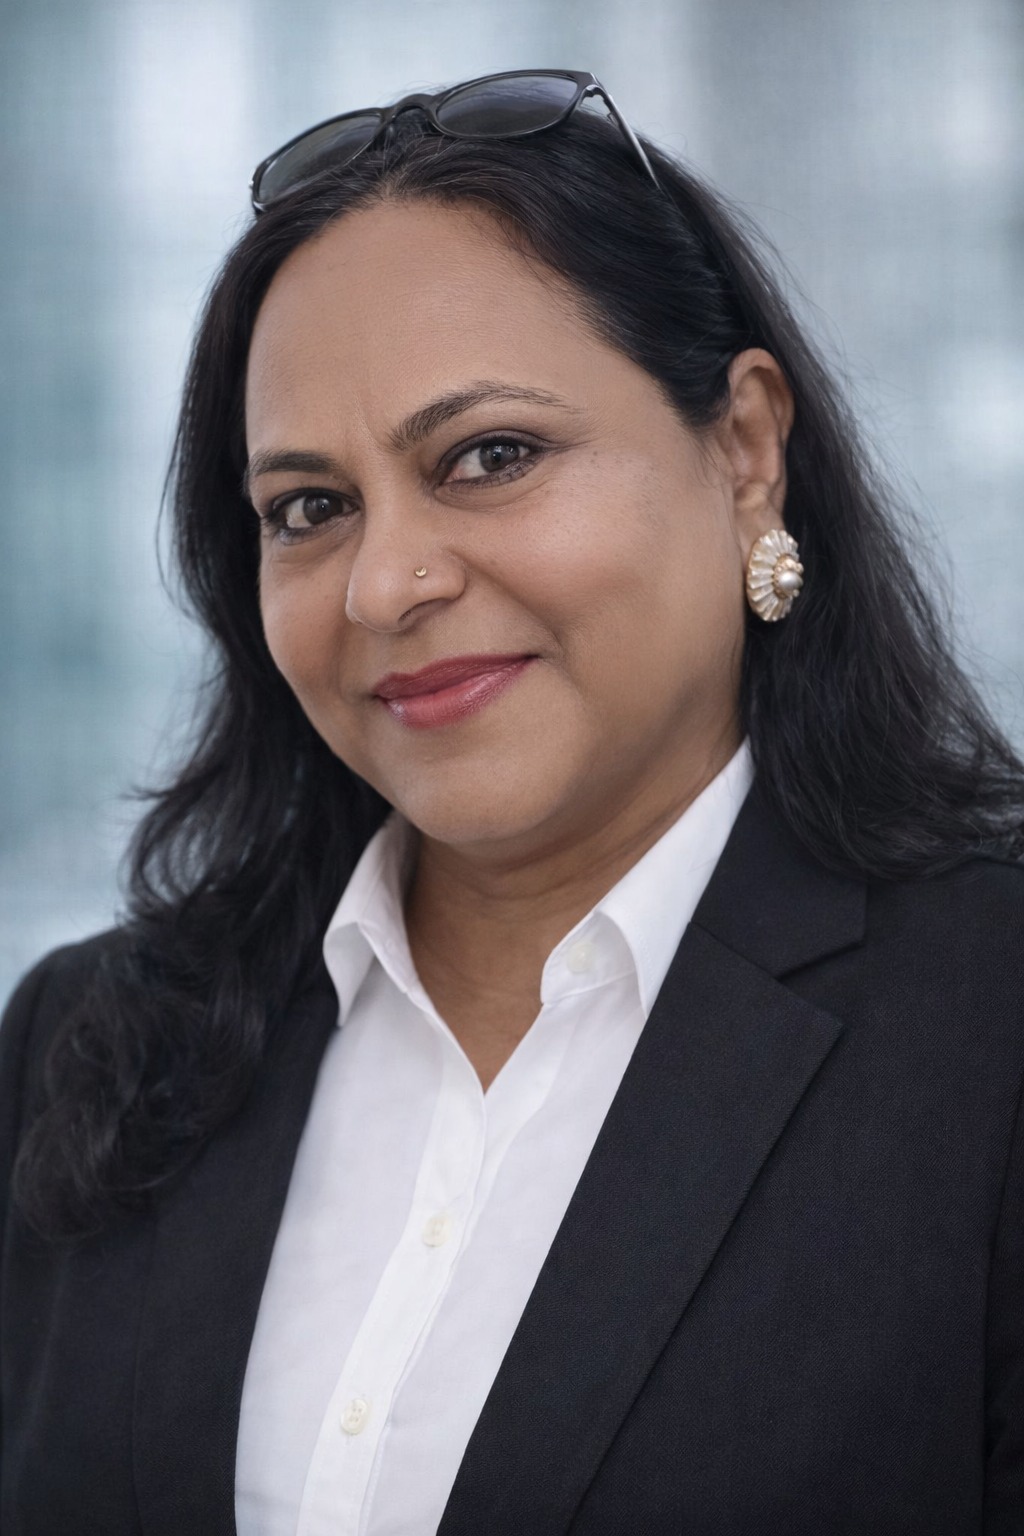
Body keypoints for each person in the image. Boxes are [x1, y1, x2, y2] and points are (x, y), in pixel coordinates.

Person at [1, 69, 1022, 1536]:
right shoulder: (80, 1050)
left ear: (745, 450)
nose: (384, 584)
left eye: (490, 457)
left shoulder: (989, 1030)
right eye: (309, 508)